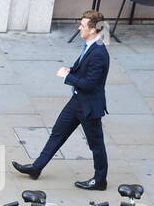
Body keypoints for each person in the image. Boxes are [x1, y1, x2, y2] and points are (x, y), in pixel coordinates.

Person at [13, 10, 110, 191]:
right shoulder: (90, 45)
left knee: (96, 144)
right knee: (58, 133)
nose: (79, 27)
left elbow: (89, 84)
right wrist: (71, 70)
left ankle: (100, 180)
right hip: (77, 101)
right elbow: (81, 65)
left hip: (89, 106)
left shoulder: (98, 53)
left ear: (93, 29)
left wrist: (67, 77)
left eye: (82, 25)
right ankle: (37, 167)